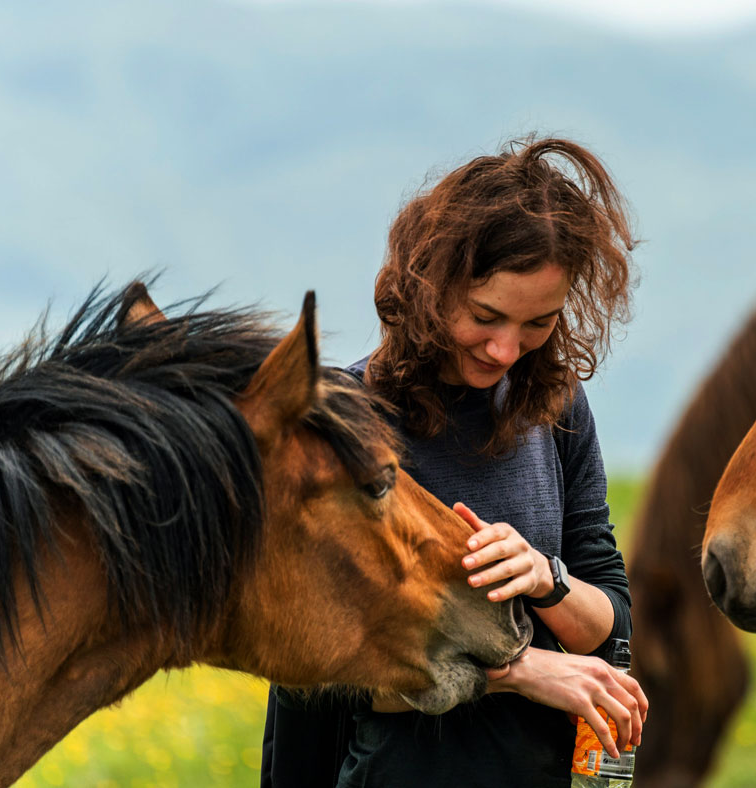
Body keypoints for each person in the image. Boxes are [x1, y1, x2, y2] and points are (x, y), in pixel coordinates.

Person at [261, 137, 647, 788]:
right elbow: (321, 671)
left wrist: (544, 576)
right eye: (486, 316)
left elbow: (610, 625)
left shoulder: (558, 410)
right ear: (430, 285)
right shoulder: (343, 416)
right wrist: (518, 672)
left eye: (538, 324)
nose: (505, 350)